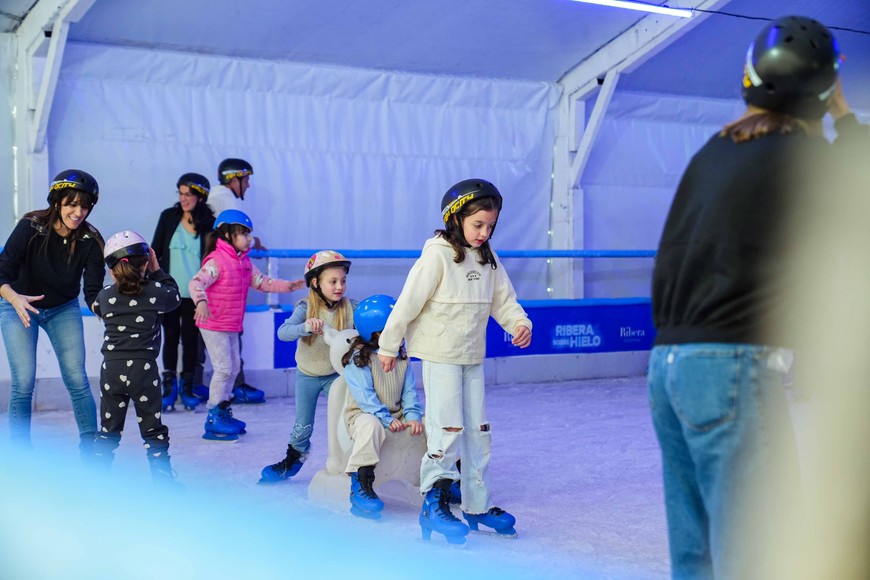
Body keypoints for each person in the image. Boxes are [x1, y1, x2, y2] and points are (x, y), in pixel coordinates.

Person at [647, 16, 870, 578]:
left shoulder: (716, 151)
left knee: (697, 554)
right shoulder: (801, 158)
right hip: (728, 366)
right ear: (823, 91)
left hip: (667, 368)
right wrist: (845, 118)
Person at [378, 178, 532, 545]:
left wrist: (519, 323)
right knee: (446, 430)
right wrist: (388, 345)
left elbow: (503, 300)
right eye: (477, 224)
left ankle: (478, 504)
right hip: (439, 355)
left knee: (479, 431)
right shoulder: (437, 255)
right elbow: (408, 301)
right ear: (455, 218)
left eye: (490, 226)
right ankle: (434, 503)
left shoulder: (488, 258)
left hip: (471, 356)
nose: (484, 232)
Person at [0, 169, 104, 453]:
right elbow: (2, 270)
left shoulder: (91, 240)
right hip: (19, 304)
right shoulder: (31, 226)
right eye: (72, 204)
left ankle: (90, 447)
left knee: (76, 378)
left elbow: (92, 290)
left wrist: (103, 309)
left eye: (84, 206)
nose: (78, 212)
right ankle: (21, 454)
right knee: (24, 381)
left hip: (63, 308)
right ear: (57, 201)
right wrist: (14, 299)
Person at [189, 209, 305, 441]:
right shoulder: (217, 261)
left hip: (230, 323)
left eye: (248, 234)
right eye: (243, 234)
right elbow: (196, 283)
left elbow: (264, 283)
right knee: (223, 369)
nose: (248, 239)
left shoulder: (244, 263)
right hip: (212, 323)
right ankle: (213, 417)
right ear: (227, 234)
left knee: (232, 368)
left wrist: (289, 286)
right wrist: (201, 302)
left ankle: (222, 409)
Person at [91, 231, 181, 485]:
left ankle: (97, 480)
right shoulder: (156, 292)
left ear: (111, 270)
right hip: (144, 371)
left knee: (109, 429)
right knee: (152, 428)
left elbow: (97, 308)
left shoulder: (105, 297)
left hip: (112, 370)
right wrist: (157, 270)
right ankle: (163, 481)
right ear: (146, 262)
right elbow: (174, 295)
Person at [259, 250, 356, 482]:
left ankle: (351, 463)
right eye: (332, 281)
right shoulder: (305, 307)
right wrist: (305, 327)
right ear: (315, 282)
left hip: (335, 377)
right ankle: (294, 459)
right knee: (303, 425)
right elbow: (283, 333)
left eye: (342, 281)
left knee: (344, 421)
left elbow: (372, 323)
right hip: (307, 375)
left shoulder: (351, 307)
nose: (339, 286)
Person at [340, 294, 424, 519]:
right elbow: (366, 399)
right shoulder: (359, 360)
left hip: (395, 414)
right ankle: (361, 483)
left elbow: (409, 393)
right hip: (363, 415)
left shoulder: (402, 358)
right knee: (371, 426)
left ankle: (440, 481)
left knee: (430, 421)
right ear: (375, 332)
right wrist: (387, 419)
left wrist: (413, 416)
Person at [151, 172, 215, 411]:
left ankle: (187, 386)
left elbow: (213, 257)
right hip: (169, 291)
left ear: (200, 197)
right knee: (169, 338)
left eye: (189, 194)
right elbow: (155, 250)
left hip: (195, 294)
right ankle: (169, 386)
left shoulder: (209, 223)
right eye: (180, 193)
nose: (184, 198)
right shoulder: (168, 217)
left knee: (190, 341)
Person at [205, 157, 266, 404]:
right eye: (246, 179)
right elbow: (234, 228)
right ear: (234, 179)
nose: (249, 185)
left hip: (220, 282)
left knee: (227, 357)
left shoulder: (218, 197)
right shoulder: (225, 199)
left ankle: (222, 400)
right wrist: (255, 240)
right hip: (221, 281)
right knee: (226, 363)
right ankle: (226, 398)